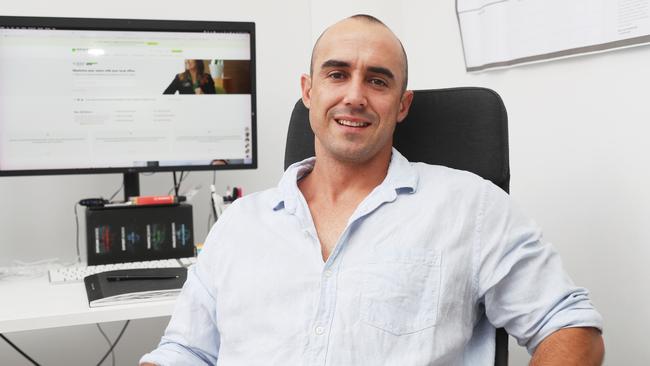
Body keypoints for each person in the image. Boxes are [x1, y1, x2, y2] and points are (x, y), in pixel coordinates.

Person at [141, 15, 604, 365]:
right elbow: (184, 350)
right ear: (308, 91)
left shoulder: (471, 207)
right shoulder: (241, 224)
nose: (355, 96)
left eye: (377, 80)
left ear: (402, 105)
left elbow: (569, 326)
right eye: (337, 74)